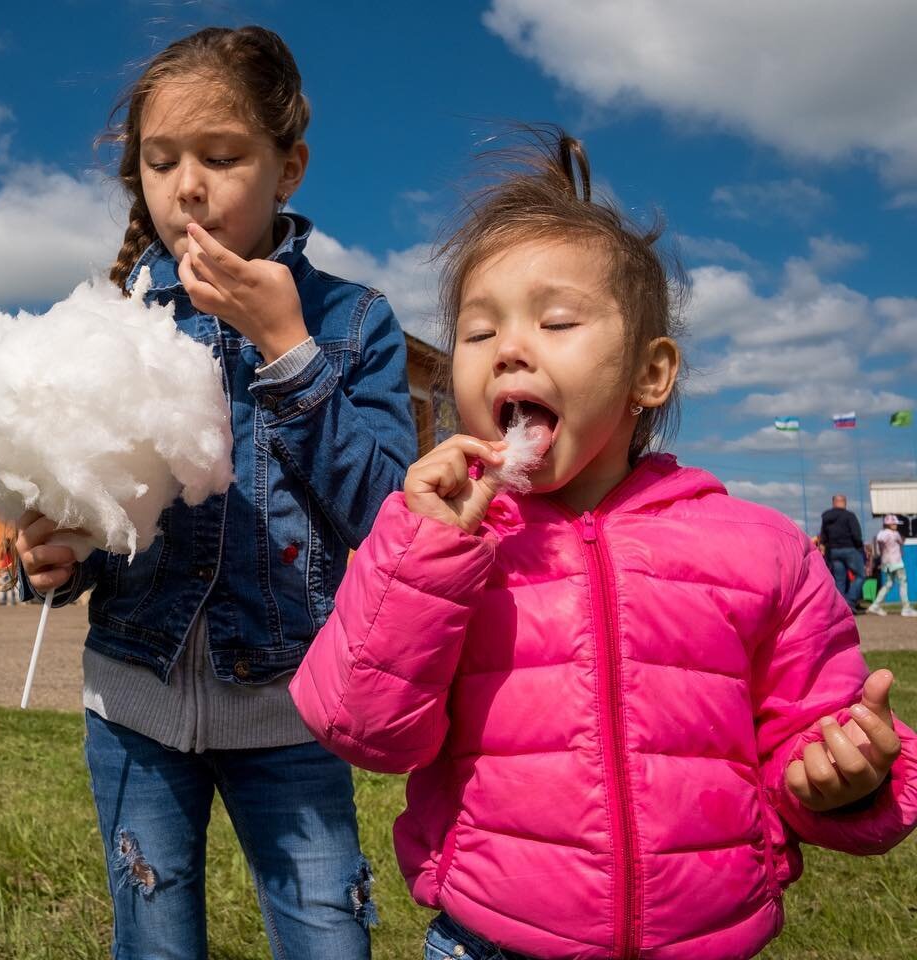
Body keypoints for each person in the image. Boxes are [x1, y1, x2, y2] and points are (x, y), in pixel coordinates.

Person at [290, 130, 917, 960]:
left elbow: (809, 725)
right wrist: (422, 553)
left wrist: (844, 773)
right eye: (478, 335)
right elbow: (362, 728)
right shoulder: (444, 548)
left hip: (709, 940)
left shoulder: (761, 549)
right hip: (490, 941)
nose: (509, 347)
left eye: (555, 321)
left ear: (649, 375)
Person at [15, 25, 415, 959]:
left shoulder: (354, 324)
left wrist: (289, 351)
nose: (186, 185)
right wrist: (58, 556)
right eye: (161, 162)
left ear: (290, 168)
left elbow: (389, 517)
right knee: (154, 942)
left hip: (292, 708)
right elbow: (88, 517)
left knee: (329, 940)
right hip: (135, 703)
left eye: (221, 156)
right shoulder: (109, 325)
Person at [821, 493, 868, 612]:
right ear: (844, 502)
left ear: (833, 502)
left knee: (839, 579)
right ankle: (850, 601)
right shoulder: (849, 516)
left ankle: (840, 607)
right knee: (860, 575)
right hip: (849, 549)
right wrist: (860, 548)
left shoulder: (826, 518)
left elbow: (823, 536)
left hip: (833, 551)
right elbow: (856, 534)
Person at [871, 514, 914, 616]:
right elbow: (901, 541)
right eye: (894, 523)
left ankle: (875, 605)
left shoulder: (880, 534)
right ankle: (906, 608)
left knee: (888, 584)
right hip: (897, 562)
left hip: (886, 562)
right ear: (889, 524)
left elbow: (878, 545)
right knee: (903, 583)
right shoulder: (894, 534)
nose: (896, 525)